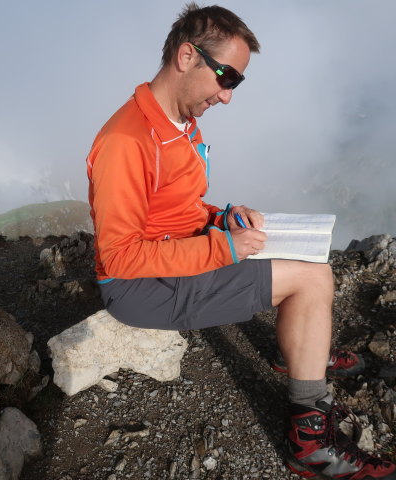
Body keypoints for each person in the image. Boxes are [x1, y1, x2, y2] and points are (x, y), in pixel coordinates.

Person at [85, 3, 396, 479]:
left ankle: (300, 350)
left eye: (236, 82)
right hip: (141, 287)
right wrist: (223, 248)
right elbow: (120, 256)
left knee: (297, 252)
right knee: (313, 278)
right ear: (187, 56)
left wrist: (223, 216)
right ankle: (309, 443)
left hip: (177, 253)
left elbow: (174, 206)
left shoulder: (180, 121)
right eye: (226, 76)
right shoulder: (127, 142)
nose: (227, 96)